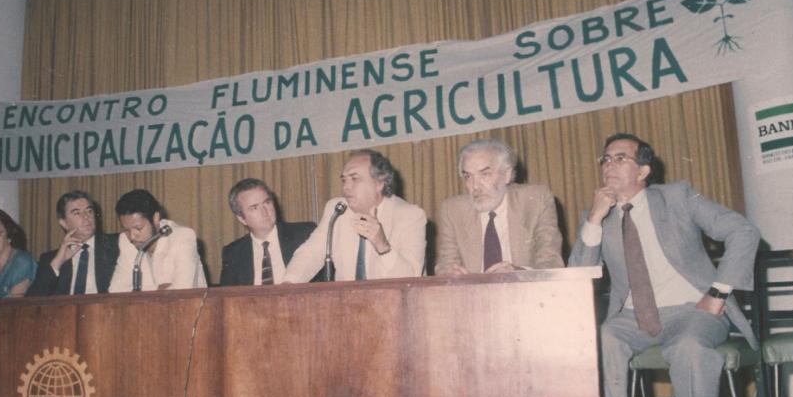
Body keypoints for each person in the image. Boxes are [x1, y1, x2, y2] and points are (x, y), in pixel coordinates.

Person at [568, 133, 759, 397]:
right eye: (605, 159)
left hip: (694, 310)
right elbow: (577, 275)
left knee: (689, 348)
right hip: (633, 317)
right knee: (603, 340)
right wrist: (594, 218)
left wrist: (718, 292)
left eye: (620, 158)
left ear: (643, 170)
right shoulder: (597, 217)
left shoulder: (677, 197)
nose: (609, 165)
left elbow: (743, 231)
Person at [283, 149, 426, 282]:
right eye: (344, 180)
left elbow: (412, 279)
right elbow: (311, 253)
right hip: (347, 299)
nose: (346, 187)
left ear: (379, 183)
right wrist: (289, 283)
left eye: (355, 179)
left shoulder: (409, 215)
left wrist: (382, 246)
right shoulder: (337, 209)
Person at [436, 139, 563, 274]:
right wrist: (450, 273)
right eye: (468, 177)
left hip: (524, 285)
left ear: (507, 175)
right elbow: (445, 264)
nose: (475, 186)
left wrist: (518, 273)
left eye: (485, 174)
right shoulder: (453, 210)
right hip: (472, 287)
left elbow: (550, 261)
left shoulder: (535, 200)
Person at [220, 178, 319, 286]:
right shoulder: (233, 253)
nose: (265, 211)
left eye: (267, 202)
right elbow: (227, 294)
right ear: (242, 218)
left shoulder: (304, 233)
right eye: (254, 208)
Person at [108, 189, 207, 292]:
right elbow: (116, 290)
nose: (132, 237)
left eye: (138, 228)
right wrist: (158, 288)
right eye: (126, 229)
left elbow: (182, 291)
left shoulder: (183, 237)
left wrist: (139, 291)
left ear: (156, 218)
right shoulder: (125, 241)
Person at [27, 191, 120, 296]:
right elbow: (32, 300)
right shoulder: (50, 259)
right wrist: (57, 262)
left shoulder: (117, 244)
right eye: (77, 213)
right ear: (64, 223)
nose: (86, 217)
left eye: (89, 211)